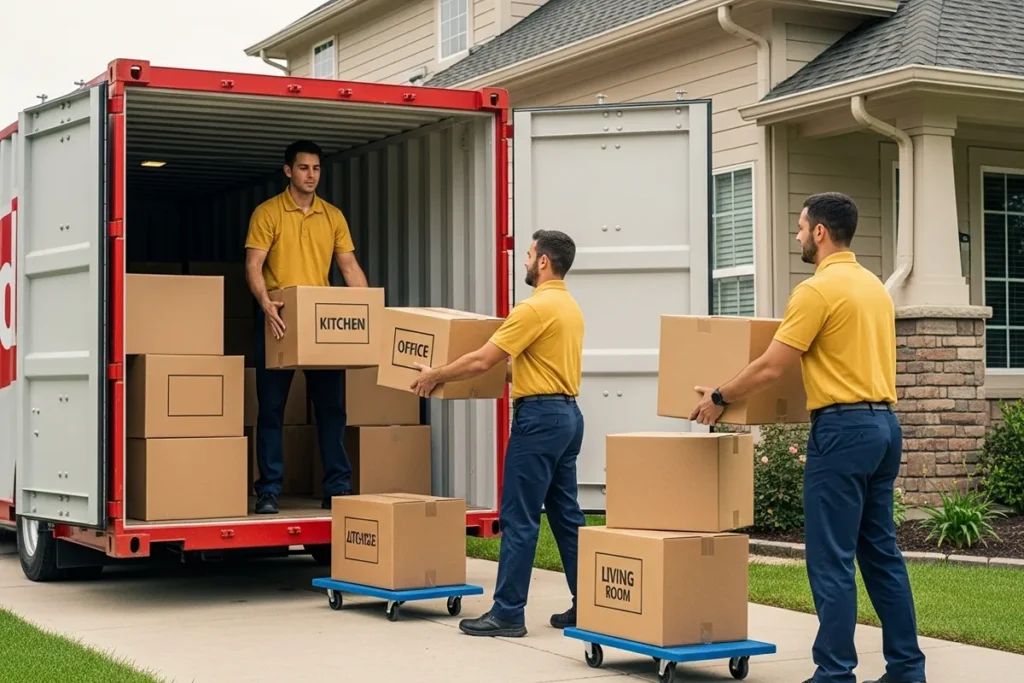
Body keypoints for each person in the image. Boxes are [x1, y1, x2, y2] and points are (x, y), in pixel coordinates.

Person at [689, 192, 926, 683]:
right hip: (884, 427)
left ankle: (835, 673)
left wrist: (718, 395)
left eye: (800, 227)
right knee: (880, 552)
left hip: (843, 431)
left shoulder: (816, 291)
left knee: (831, 557)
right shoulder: (873, 289)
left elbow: (775, 365)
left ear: (819, 231)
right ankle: (907, 668)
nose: (797, 235)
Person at [410, 229, 586, 638]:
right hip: (568, 416)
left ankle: (507, 613)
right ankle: (589, 605)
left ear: (544, 261)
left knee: (519, 518)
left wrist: (436, 374)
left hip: (539, 420)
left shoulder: (533, 308)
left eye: (528, 255)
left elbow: (481, 361)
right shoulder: (570, 308)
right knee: (567, 518)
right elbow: (520, 367)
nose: (524, 262)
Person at [244, 140, 369, 515]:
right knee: (271, 410)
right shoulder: (267, 213)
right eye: (303, 168)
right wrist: (265, 304)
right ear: (288, 171)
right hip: (277, 318)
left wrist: (367, 311)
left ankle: (337, 488)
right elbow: (253, 265)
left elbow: (348, 267)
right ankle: (268, 490)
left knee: (332, 409)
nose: (310, 175)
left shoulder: (333, 216)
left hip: (321, 322)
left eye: (315, 168)